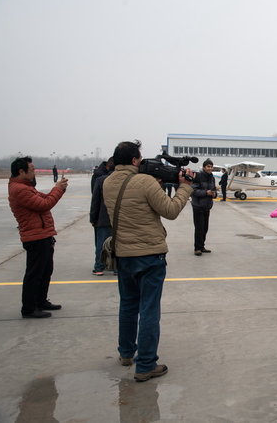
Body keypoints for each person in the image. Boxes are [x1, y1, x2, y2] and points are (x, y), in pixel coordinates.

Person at [103, 140, 193, 382]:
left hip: (123, 255)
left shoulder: (107, 182)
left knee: (128, 305)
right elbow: (171, 210)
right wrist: (185, 186)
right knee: (149, 310)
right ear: (134, 160)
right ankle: (145, 365)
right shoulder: (144, 182)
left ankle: (125, 353)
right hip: (149, 256)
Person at [8, 156, 68, 318]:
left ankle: (40, 301)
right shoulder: (19, 189)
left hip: (42, 234)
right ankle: (29, 308)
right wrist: (58, 188)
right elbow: (44, 204)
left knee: (45, 270)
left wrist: (58, 189)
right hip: (35, 236)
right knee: (35, 273)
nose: (34, 172)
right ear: (21, 171)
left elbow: (45, 198)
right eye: (32, 169)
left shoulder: (26, 187)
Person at [90, 160, 115, 275]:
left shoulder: (100, 180)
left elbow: (95, 202)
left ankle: (99, 267)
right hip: (119, 219)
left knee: (101, 244)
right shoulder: (126, 181)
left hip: (103, 218)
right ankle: (117, 268)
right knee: (118, 244)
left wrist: (93, 218)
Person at [191, 159, 217, 256]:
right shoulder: (198, 176)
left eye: (211, 166)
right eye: (208, 166)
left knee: (205, 228)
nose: (210, 168)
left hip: (207, 206)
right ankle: (197, 248)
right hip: (198, 206)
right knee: (199, 228)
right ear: (204, 167)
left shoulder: (212, 178)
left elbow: (213, 190)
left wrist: (214, 194)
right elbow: (193, 190)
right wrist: (206, 192)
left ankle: (202, 246)